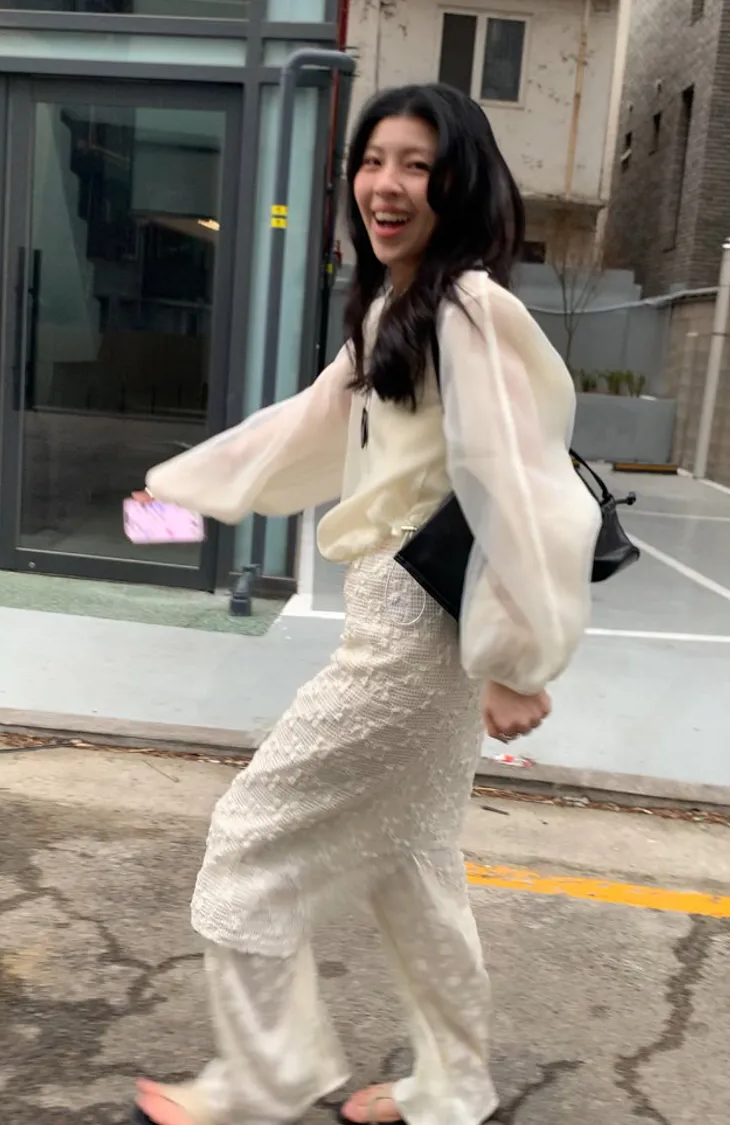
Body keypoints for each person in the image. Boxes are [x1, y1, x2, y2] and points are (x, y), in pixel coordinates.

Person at [131, 83, 601, 1125]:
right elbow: (303, 427)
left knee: (249, 839)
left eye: (417, 166)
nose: (386, 185)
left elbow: (516, 486)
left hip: (414, 641)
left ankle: (265, 1077)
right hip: (408, 623)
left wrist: (516, 657)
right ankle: (454, 1087)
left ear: (460, 185)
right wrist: (172, 497)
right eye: (373, 161)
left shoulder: (467, 310)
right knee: (412, 865)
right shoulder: (401, 308)